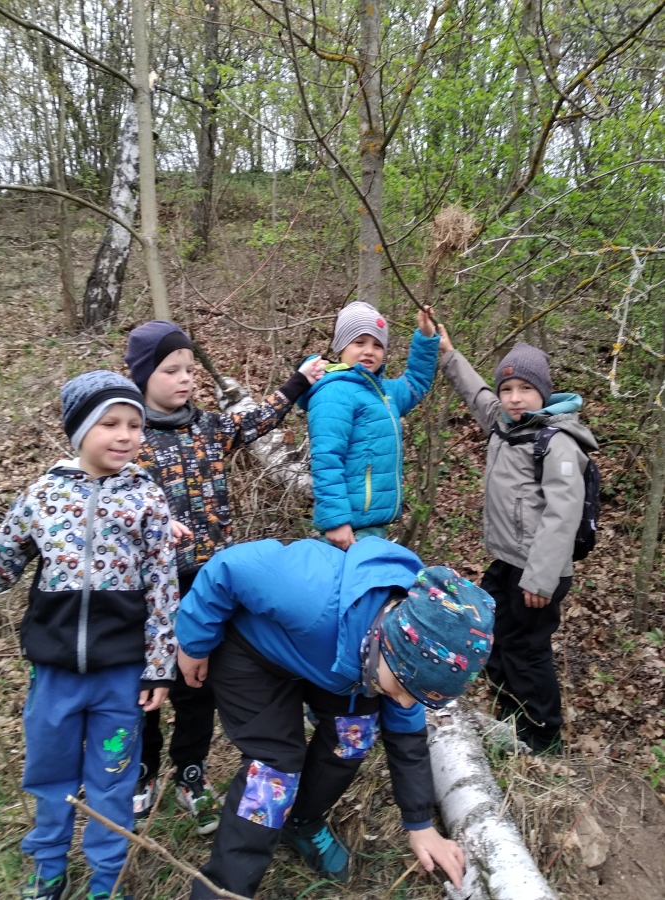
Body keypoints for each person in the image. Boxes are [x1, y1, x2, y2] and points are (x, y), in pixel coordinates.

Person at [175, 535, 495, 898]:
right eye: (404, 688)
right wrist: (194, 642)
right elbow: (228, 569)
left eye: (417, 697)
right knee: (275, 771)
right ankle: (222, 889)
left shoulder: (401, 662)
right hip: (252, 653)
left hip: (336, 666)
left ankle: (301, 820)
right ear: (388, 645)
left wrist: (419, 823)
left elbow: (407, 735)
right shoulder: (311, 594)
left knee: (354, 734)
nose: (406, 702)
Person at [124, 320, 325, 832]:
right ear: (143, 376)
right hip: (150, 588)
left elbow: (257, 419)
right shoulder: (128, 441)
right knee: (147, 682)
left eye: (190, 369)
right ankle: (141, 772)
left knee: (197, 683)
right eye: (171, 370)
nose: (185, 379)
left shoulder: (209, 428)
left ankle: (190, 772)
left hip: (208, 584)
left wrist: (298, 381)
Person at [0, 371, 179, 900]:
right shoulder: (43, 495)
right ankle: (48, 865)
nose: (125, 435)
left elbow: (163, 587)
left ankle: (107, 878)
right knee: (48, 773)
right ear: (78, 430)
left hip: (121, 677)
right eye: (109, 423)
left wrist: (159, 666)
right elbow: (2, 562)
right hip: (54, 675)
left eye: (134, 425)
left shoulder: (147, 498)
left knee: (112, 778)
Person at [438, 328, 598, 753]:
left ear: (543, 393)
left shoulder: (556, 442)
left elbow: (563, 515)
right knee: (494, 637)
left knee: (527, 650)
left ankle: (543, 736)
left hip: (539, 571)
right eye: (507, 389)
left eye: (525, 389)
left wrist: (540, 579)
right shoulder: (504, 425)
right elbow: (476, 394)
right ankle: (510, 718)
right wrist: (448, 353)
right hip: (507, 561)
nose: (513, 398)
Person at [298, 301, 439, 550]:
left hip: (373, 527)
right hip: (347, 530)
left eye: (377, 345)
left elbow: (416, 381)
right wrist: (336, 521)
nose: (369, 351)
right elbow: (327, 459)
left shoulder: (382, 393)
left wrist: (426, 336)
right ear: (341, 346)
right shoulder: (334, 392)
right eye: (359, 342)